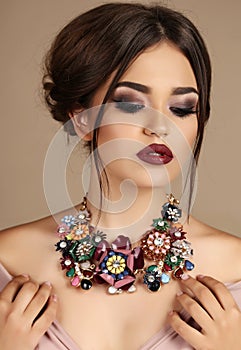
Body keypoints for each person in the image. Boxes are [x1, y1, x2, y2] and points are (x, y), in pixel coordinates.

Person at [0, 2, 241, 350]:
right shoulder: (9, 259)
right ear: (82, 119)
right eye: (131, 104)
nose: (160, 127)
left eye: (182, 108)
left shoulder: (234, 268)